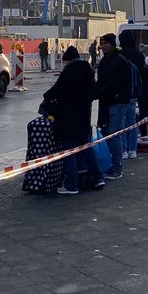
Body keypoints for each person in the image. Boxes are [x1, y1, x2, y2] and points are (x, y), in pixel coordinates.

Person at [43, 46, 104, 195]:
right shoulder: (89, 71)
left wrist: (47, 97)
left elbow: (55, 91)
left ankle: (71, 185)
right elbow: (95, 93)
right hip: (84, 116)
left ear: (67, 60)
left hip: (67, 117)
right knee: (86, 147)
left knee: (69, 150)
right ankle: (98, 177)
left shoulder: (68, 72)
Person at [95, 33, 132, 179]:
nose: (103, 47)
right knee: (107, 132)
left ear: (112, 44)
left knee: (113, 133)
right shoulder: (106, 60)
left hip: (118, 101)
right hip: (108, 101)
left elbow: (111, 83)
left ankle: (117, 168)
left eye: (105, 44)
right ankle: (113, 164)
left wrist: (97, 93)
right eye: (101, 44)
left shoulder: (118, 61)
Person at [119, 31, 148, 152]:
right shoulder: (138, 55)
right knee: (132, 121)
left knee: (122, 122)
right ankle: (133, 149)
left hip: (122, 93)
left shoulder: (120, 55)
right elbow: (144, 75)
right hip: (136, 91)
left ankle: (124, 149)